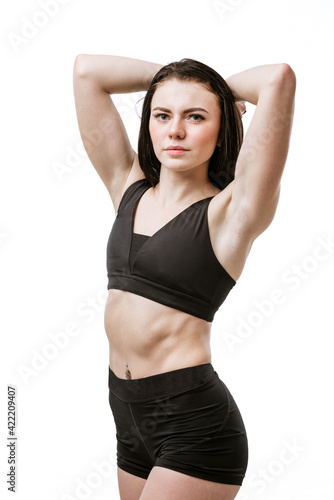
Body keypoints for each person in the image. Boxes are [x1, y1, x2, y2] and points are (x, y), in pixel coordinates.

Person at [73, 54, 296, 500]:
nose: (175, 130)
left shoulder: (233, 212)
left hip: (194, 425)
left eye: (195, 117)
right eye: (162, 114)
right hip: (127, 418)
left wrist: (216, 87)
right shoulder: (128, 188)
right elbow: (86, 73)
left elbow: (278, 79)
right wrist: (173, 80)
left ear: (222, 129)